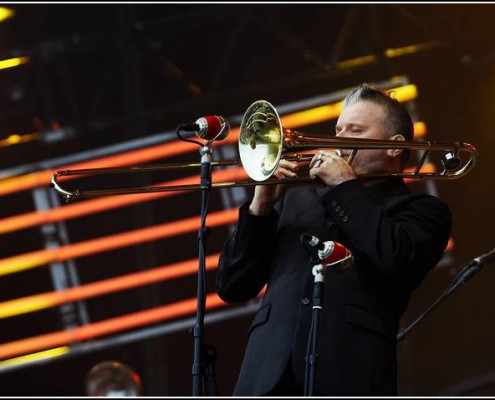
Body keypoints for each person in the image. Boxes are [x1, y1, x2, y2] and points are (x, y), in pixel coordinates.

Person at [215, 83, 452, 396]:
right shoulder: (296, 199)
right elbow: (233, 286)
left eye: (354, 131)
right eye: (338, 129)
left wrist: (345, 186)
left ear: (394, 146)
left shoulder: (422, 210)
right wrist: (260, 207)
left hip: (348, 373)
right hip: (266, 373)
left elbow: (396, 258)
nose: (338, 141)